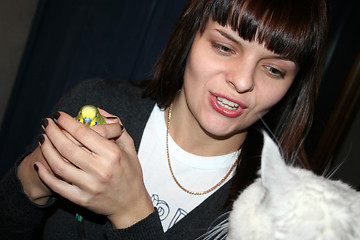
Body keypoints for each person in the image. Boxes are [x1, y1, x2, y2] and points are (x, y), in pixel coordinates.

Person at [0, 0, 328, 239]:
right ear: (190, 36)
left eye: (274, 69)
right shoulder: (99, 102)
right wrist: (35, 178)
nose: (242, 81)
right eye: (224, 47)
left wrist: (131, 212)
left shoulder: (283, 211)